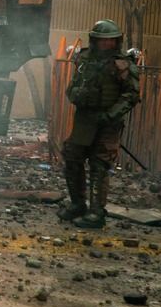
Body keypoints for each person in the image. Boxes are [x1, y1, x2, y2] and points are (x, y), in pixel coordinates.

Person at [58, 19, 140, 229]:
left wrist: (110, 115)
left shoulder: (122, 65)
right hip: (85, 119)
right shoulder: (84, 60)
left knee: (99, 164)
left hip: (108, 123)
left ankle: (96, 212)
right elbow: (71, 89)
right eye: (103, 41)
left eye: (111, 42)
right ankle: (77, 204)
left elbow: (131, 95)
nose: (107, 45)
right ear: (95, 41)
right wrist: (79, 95)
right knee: (72, 156)